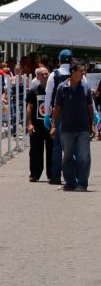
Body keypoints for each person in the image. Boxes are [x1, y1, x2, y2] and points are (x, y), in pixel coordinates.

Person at [50, 62, 94, 191]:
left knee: (84, 157)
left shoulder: (85, 87)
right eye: (81, 71)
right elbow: (57, 108)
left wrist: (92, 124)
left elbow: (89, 107)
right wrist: (53, 125)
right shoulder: (62, 88)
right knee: (68, 157)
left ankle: (82, 184)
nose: (83, 73)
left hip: (83, 128)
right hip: (67, 129)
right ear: (73, 72)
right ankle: (70, 182)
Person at [43, 49, 75, 185]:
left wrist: (46, 115)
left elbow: (48, 96)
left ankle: (55, 177)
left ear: (59, 59)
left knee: (56, 147)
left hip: (58, 114)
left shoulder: (53, 75)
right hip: (75, 114)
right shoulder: (77, 74)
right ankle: (72, 177)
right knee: (72, 147)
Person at [26, 67, 53, 182]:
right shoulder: (33, 91)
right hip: (37, 126)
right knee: (35, 151)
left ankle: (52, 174)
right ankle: (34, 174)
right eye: (42, 74)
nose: (45, 76)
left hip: (51, 125)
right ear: (37, 77)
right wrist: (29, 124)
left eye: (47, 74)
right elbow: (29, 108)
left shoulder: (54, 91)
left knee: (52, 150)